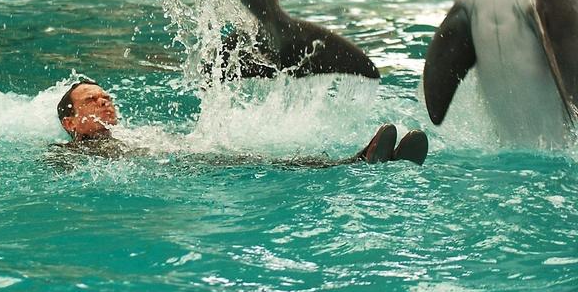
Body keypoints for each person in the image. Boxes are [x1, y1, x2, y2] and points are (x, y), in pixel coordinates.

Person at [51, 79, 428, 167]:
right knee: (259, 164)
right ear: (70, 122)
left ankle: (363, 162)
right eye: (91, 101)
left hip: (188, 161)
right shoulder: (70, 154)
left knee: (255, 156)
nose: (104, 102)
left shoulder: (132, 134)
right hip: (187, 170)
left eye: (106, 97)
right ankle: (356, 162)